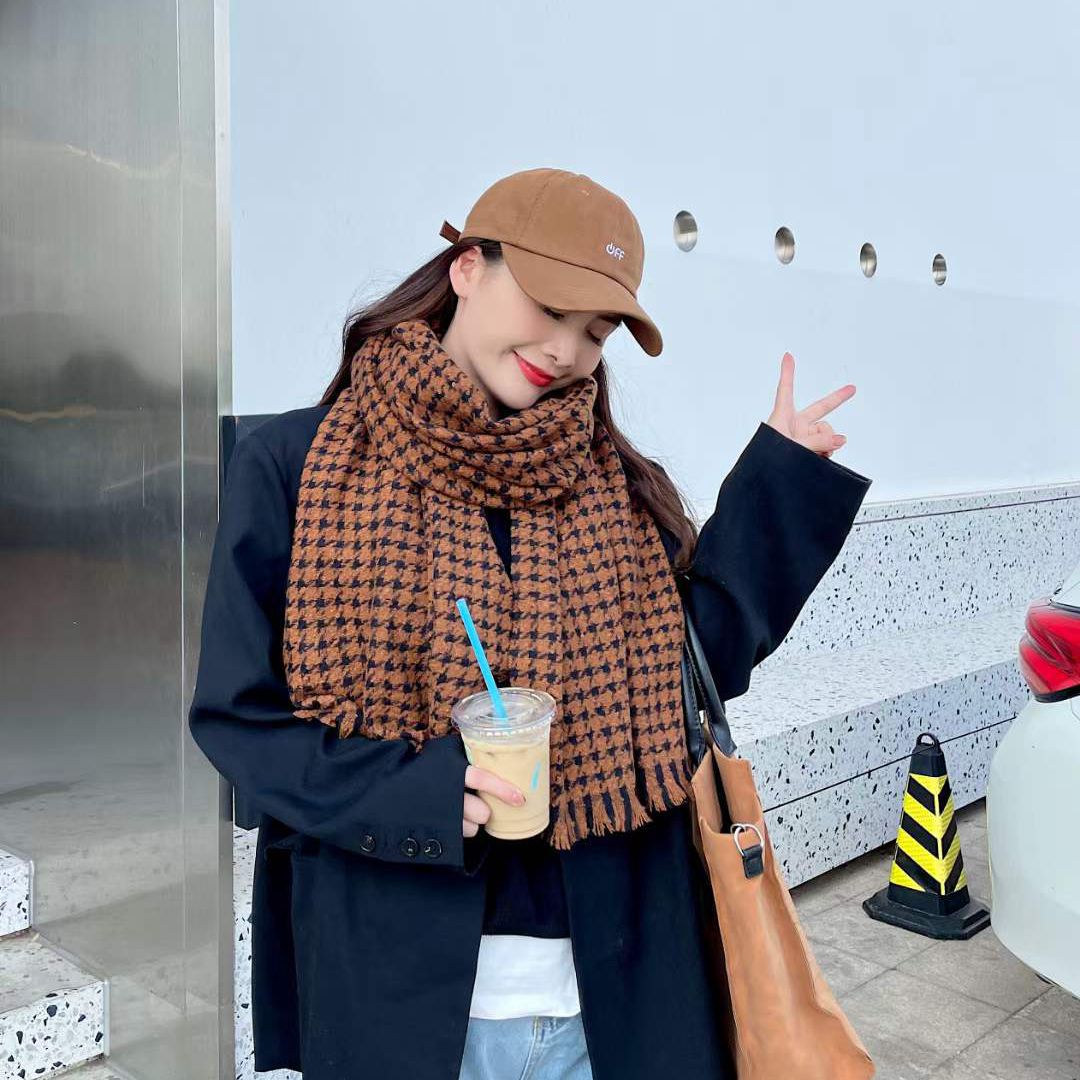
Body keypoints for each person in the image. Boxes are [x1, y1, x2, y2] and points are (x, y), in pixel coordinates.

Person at [188, 167, 873, 1080]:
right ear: (468, 267)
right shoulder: (297, 468)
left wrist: (778, 484)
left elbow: (687, 672)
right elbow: (239, 720)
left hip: (611, 997)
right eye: (550, 308)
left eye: (595, 332)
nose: (566, 350)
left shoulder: (615, 486)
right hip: (397, 992)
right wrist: (423, 794)